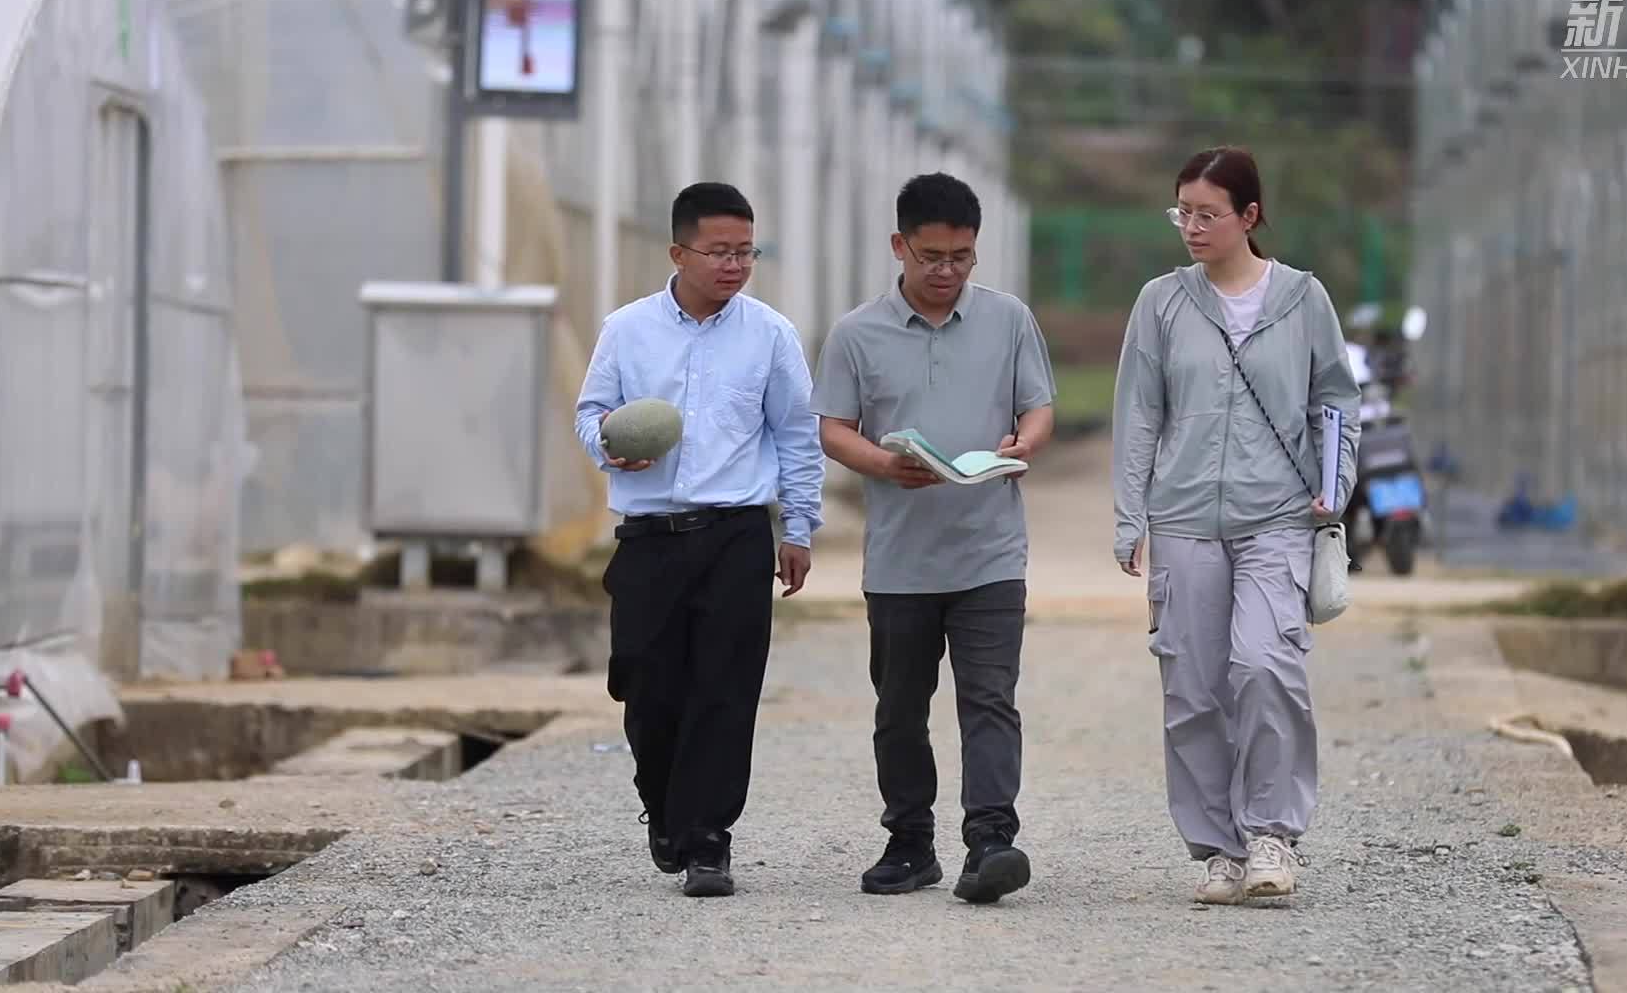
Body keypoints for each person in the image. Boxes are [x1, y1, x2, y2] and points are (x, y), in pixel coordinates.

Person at [1109, 146, 1360, 905]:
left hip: (1277, 516)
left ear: (1249, 217)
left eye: (1206, 213)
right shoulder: (1161, 301)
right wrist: (1130, 519)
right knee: (1191, 685)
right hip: (1183, 516)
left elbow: (1335, 402)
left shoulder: (1304, 298)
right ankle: (1217, 849)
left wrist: (1334, 486)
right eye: (1181, 211)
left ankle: (1272, 836)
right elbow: (1138, 414)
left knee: (1262, 665)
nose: (1190, 226)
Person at [573, 181, 824, 899]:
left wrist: (797, 527)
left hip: (736, 536)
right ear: (679, 251)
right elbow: (591, 411)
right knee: (645, 682)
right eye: (719, 251)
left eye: (746, 251)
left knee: (726, 687)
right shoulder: (627, 330)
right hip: (650, 537)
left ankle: (709, 838)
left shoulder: (770, 334)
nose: (735, 265)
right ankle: (664, 806)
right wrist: (609, 447)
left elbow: (797, 435)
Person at [811, 172, 1056, 903]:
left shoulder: (1009, 320)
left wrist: (1024, 445)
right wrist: (885, 464)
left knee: (990, 700)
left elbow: (1038, 407)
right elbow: (832, 428)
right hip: (899, 560)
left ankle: (991, 842)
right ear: (900, 246)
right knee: (900, 708)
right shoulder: (857, 333)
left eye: (962, 258)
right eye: (932, 257)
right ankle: (909, 842)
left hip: (989, 552)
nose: (947, 272)